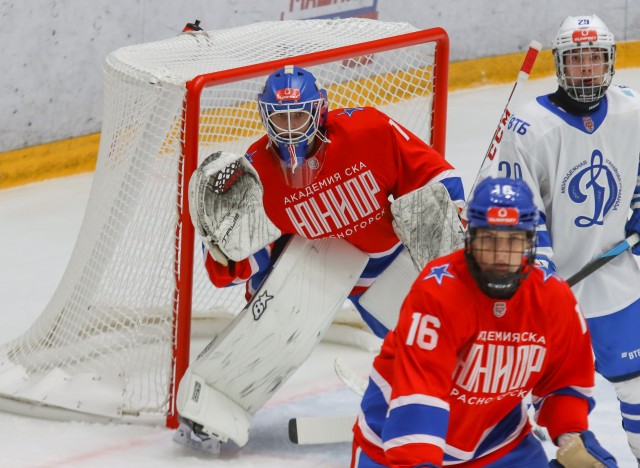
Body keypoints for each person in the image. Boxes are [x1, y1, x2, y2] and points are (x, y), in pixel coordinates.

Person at [174, 64, 465, 452]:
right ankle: (211, 410)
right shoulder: (257, 171)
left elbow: (433, 177)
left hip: (384, 258)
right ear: (264, 116)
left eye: (299, 115)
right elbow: (250, 256)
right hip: (316, 261)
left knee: (432, 336)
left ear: (320, 110)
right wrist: (226, 258)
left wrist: (454, 221)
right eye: (280, 117)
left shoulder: (369, 130)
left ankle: (469, 401)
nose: (290, 127)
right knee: (273, 325)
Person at [351, 177, 617, 467]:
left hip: (498, 445)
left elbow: (563, 382)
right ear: (471, 238)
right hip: (394, 444)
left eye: (513, 241)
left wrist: (571, 440)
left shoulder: (553, 299)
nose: (501, 255)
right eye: (490, 240)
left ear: (530, 242)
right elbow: (421, 392)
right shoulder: (438, 292)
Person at [497, 14, 640, 463]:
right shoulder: (528, 128)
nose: (587, 70)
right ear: (560, 64)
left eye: (595, 59)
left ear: (609, 63)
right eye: (577, 60)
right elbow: (516, 211)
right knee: (564, 418)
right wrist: (538, 274)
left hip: (618, 283)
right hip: (552, 299)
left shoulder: (632, 110)